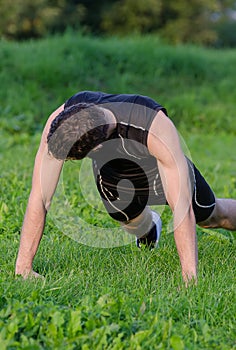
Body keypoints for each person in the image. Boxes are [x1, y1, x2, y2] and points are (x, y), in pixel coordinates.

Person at [15, 91, 236, 284]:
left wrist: (190, 279)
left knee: (211, 216)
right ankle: (150, 230)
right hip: (116, 175)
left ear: (98, 147)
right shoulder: (64, 119)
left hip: (158, 170)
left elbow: (181, 208)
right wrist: (23, 268)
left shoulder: (150, 123)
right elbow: (41, 196)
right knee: (130, 220)